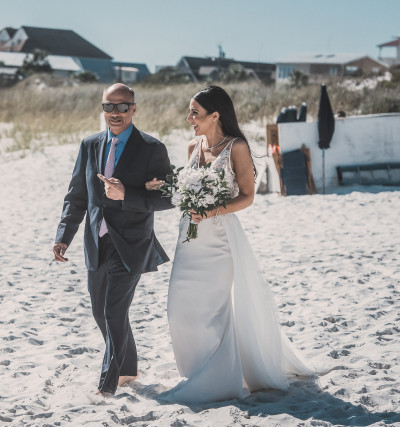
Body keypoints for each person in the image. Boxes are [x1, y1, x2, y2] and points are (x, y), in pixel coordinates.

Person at [146, 86, 314, 403]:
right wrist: (177, 195)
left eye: (195, 112)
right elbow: (185, 188)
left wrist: (211, 211)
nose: (189, 118)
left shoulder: (237, 147)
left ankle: (220, 374)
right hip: (189, 238)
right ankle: (197, 367)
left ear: (215, 115)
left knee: (214, 307)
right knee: (181, 307)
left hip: (219, 238)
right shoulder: (193, 146)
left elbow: (247, 197)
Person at [53, 83, 173, 396]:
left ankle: (108, 385)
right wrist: (64, 235)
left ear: (134, 108)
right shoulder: (89, 144)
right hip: (97, 242)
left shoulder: (152, 148)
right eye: (109, 106)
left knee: (113, 312)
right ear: (103, 108)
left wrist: (126, 194)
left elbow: (167, 197)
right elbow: (77, 195)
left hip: (132, 243)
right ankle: (129, 368)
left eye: (122, 106)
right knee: (100, 312)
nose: (115, 113)